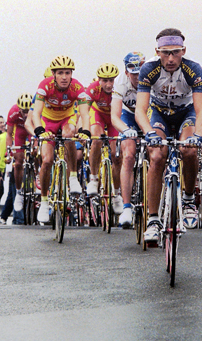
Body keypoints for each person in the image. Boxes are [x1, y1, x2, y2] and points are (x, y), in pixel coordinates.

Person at [135, 28, 202, 241]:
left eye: (175, 52)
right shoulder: (148, 69)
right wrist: (148, 132)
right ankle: (153, 219)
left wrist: (199, 135)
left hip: (187, 112)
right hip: (160, 113)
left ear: (183, 50)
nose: (170, 58)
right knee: (157, 156)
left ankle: (187, 199)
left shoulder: (193, 69)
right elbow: (140, 109)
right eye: (165, 52)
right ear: (157, 52)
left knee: (189, 149)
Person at [32, 55, 91, 223]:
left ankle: (72, 177)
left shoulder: (77, 87)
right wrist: (39, 130)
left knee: (68, 134)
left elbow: (85, 114)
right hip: (48, 120)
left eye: (68, 73)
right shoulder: (45, 86)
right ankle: (44, 202)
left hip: (67, 118)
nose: (64, 77)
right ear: (53, 74)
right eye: (60, 73)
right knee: (47, 160)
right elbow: (36, 113)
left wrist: (86, 131)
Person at [84, 63, 125, 215]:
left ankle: (117, 194)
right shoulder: (93, 89)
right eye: (104, 81)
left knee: (117, 156)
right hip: (99, 115)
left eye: (112, 80)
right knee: (96, 139)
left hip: (115, 118)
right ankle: (94, 179)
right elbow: (84, 110)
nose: (108, 84)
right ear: (99, 80)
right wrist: (83, 130)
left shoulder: (121, 86)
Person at [111, 51, 145, 228]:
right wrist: (126, 130)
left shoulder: (151, 78)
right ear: (126, 72)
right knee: (129, 155)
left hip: (147, 114)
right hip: (128, 116)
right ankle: (126, 207)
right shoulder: (120, 83)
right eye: (134, 74)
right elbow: (115, 117)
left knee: (158, 152)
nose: (138, 77)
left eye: (141, 73)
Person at [6, 93, 33, 212]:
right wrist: (8, 151)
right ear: (19, 109)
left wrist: (36, 146)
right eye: (23, 111)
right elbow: (9, 134)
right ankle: (19, 192)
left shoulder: (37, 109)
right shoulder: (13, 112)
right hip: (20, 132)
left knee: (37, 152)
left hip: (32, 129)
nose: (26, 114)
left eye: (28, 111)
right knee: (18, 163)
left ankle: (37, 177)